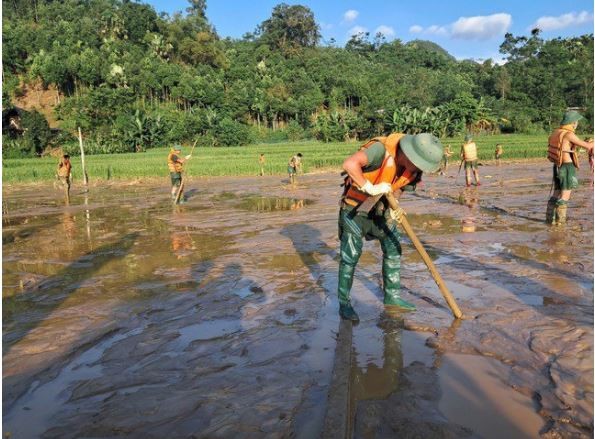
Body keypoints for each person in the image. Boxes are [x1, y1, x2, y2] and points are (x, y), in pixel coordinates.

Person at [338, 132, 443, 322]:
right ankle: (344, 303)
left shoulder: (413, 170)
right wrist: (368, 187)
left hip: (380, 209)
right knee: (350, 255)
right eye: (418, 164)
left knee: (394, 246)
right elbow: (349, 164)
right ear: (408, 154)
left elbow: (401, 187)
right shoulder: (380, 150)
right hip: (355, 208)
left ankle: (392, 297)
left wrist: (394, 208)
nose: (419, 169)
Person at [545, 110, 594, 224]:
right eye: (576, 122)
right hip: (567, 167)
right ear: (573, 122)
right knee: (565, 196)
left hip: (557, 166)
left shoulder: (557, 132)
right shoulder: (569, 134)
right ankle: (560, 224)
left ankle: (549, 220)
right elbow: (587, 146)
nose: (577, 124)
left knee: (556, 194)